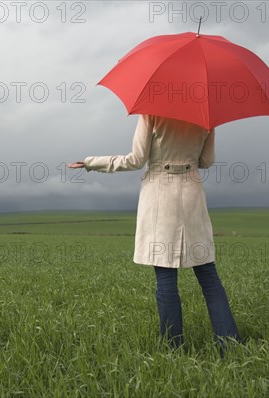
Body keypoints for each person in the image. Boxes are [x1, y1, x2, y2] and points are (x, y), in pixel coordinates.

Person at [67, 114, 240, 350]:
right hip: (192, 194)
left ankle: (173, 347)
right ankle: (229, 343)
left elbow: (136, 160)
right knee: (208, 275)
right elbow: (207, 161)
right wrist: (186, 159)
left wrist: (90, 162)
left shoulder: (151, 111)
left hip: (160, 196)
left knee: (166, 276)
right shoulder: (206, 114)